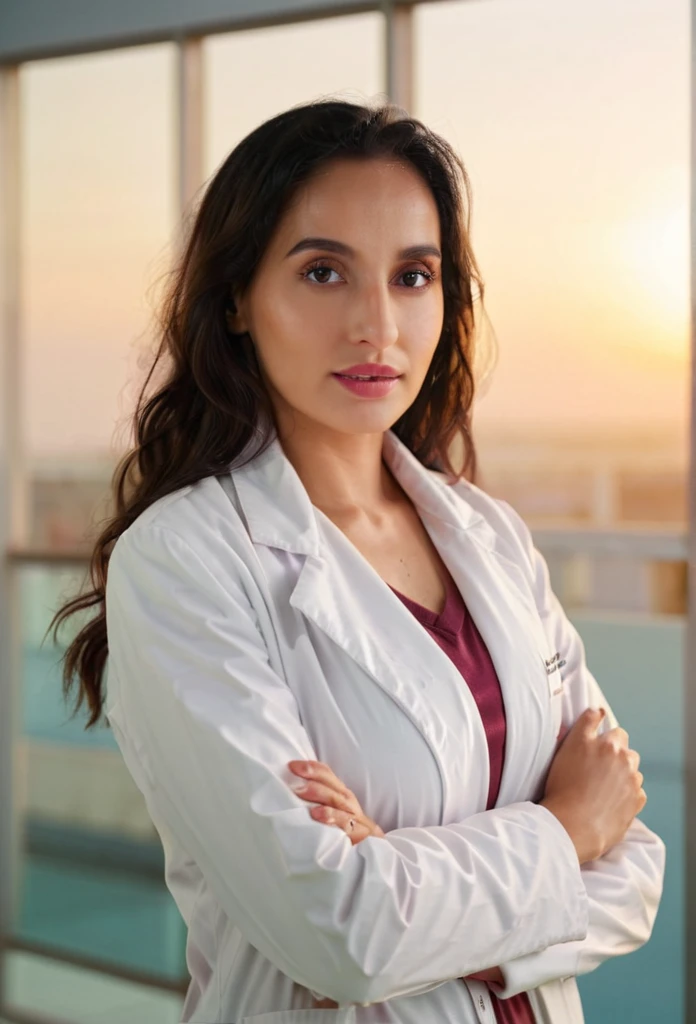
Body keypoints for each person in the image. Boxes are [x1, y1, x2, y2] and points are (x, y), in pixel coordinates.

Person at [50, 99, 665, 1024]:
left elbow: (638, 871)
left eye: (413, 276)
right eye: (325, 271)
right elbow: (340, 933)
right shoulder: (184, 561)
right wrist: (566, 830)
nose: (377, 323)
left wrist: (407, 877)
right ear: (236, 302)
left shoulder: (488, 535)